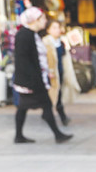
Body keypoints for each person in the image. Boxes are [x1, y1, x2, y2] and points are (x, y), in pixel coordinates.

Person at [12, 7, 73, 144]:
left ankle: (19, 135)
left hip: (32, 80)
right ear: (35, 20)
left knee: (25, 107)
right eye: (42, 18)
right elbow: (24, 61)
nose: (45, 21)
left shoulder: (32, 35)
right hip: (31, 81)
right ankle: (57, 134)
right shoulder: (25, 35)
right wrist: (35, 79)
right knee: (44, 105)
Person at [42, 19, 81, 127]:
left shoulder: (61, 42)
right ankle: (61, 117)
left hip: (60, 72)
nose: (57, 30)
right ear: (48, 30)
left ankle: (47, 114)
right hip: (51, 74)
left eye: (58, 27)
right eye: (54, 28)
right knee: (55, 95)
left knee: (56, 95)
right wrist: (49, 71)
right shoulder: (46, 42)